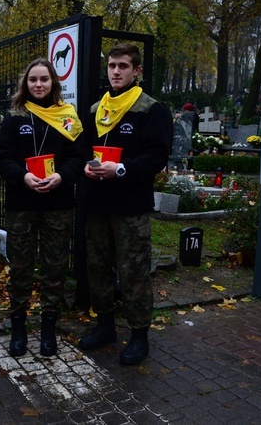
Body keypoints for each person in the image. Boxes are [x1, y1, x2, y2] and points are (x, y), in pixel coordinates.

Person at [78, 43, 171, 365]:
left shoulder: (150, 109)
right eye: (112, 66)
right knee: (98, 268)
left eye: (123, 66)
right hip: (96, 204)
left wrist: (121, 169)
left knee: (134, 272)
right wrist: (85, 167)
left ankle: (139, 335)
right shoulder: (94, 110)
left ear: (136, 71)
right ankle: (105, 326)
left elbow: (157, 156)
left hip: (130, 207)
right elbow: (81, 151)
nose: (116, 71)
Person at [0, 59, 84, 357]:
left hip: (58, 203)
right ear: (25, 84)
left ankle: (48, 328)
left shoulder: (67, 117)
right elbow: (1, 158)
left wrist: (61, 176)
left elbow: (78, 157)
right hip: (22, 203)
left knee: (54, 267)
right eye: (33, 79)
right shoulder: (14, 118)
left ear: (53, 83)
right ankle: (18, 327)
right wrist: (23, 176)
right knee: (20, 266)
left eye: (44, 79)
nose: (38, 85)